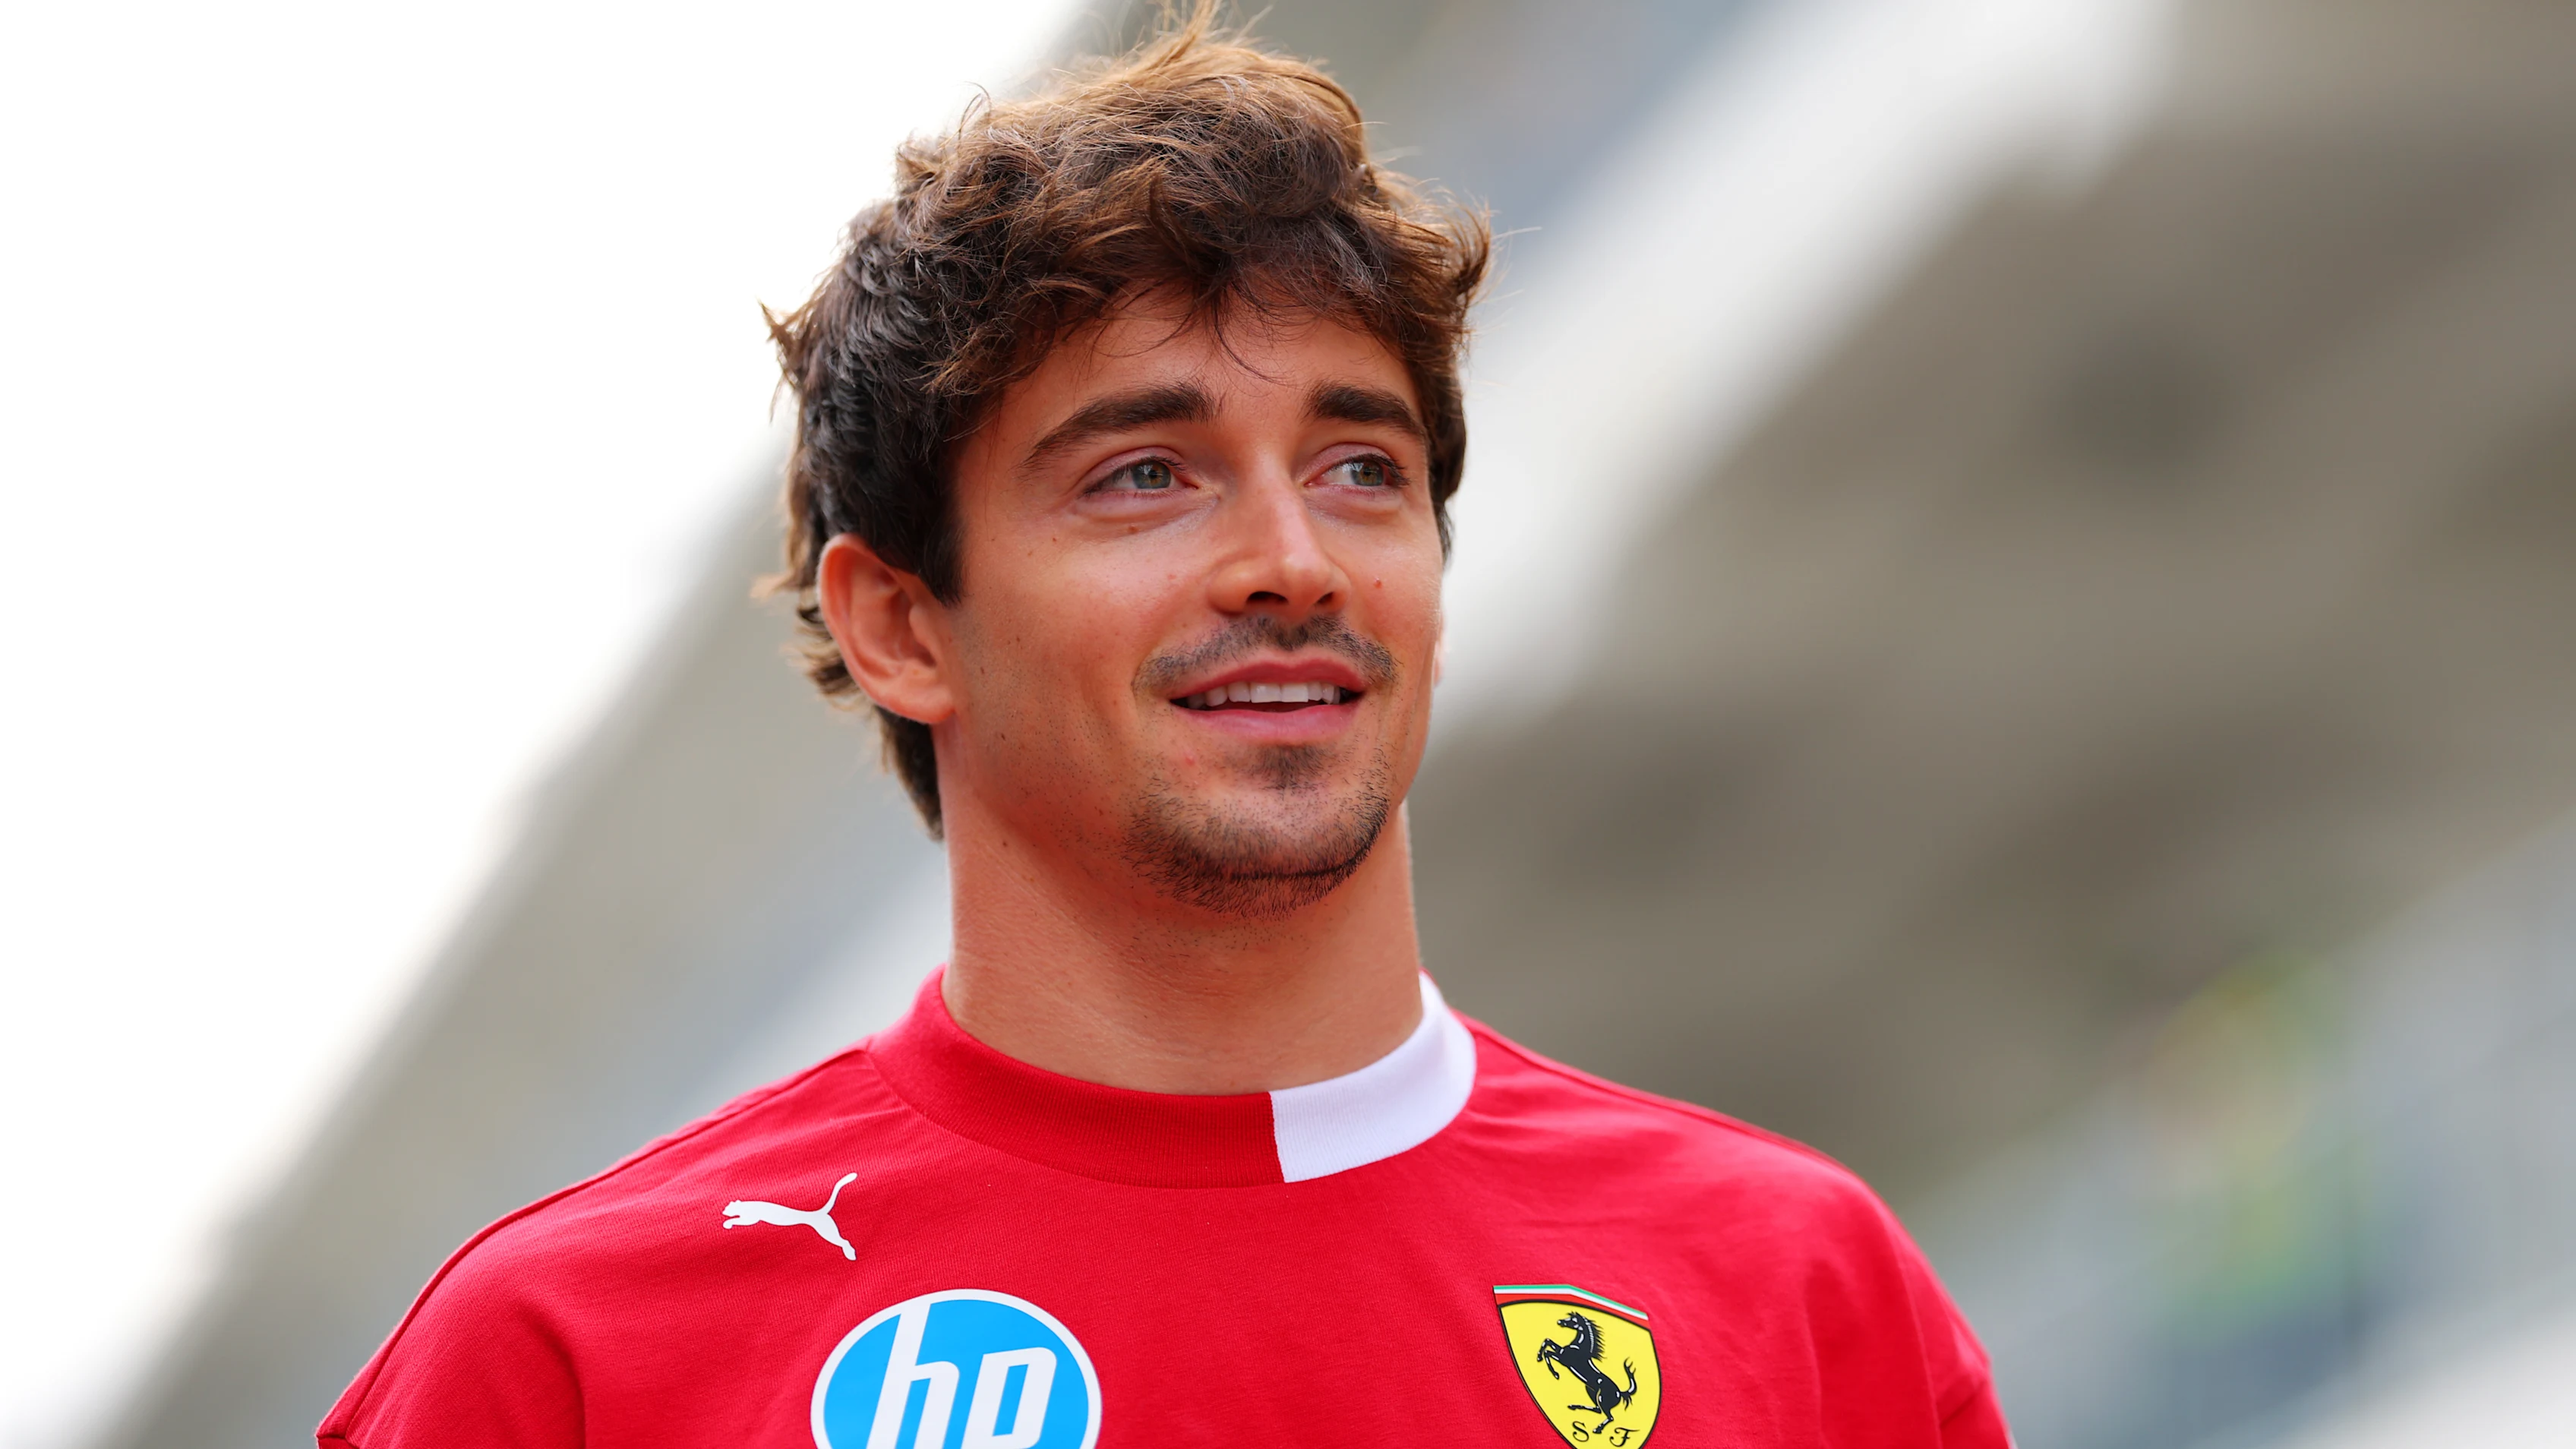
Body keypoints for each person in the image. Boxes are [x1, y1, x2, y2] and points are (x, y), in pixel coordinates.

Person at [320, 14, 2009, 1449]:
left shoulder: (1802, 1295)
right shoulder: (575, 1357)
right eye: (1146, 476)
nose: (1289, 559)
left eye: (1362, 468)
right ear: (902, 623)